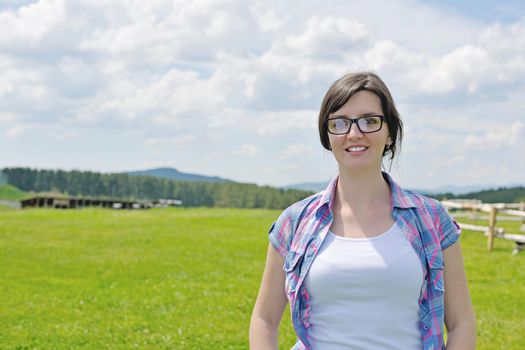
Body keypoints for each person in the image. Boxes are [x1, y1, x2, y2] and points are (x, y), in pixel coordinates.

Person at [249, 72, 476, 349]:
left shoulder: (432, 218)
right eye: (340, 123)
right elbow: (264, 319)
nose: (354, 134)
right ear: (327, 136)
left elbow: (462, 323)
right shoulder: (295, 222)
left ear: (390, 133)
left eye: (370, 121)